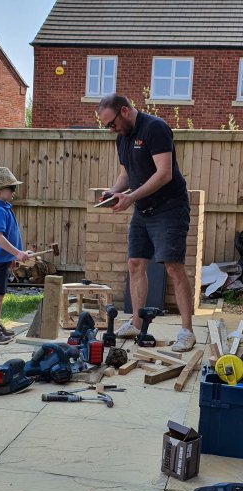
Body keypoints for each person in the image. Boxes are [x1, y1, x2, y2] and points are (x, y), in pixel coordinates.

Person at [97, 94, 196, 352]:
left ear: (124, 111)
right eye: (106, 126)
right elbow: (126, 174)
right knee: (135, 264)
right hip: (143, 209)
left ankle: (187, 330)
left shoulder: (155, 128)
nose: (110, 130)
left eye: (111, 123)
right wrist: (113, 192)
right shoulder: (123, 138)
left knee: (173, 267)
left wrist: (129, 197)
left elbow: (164, 173)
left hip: (169, 208)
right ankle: (136, 323)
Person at [0, 166, 32, 344]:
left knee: (1, 294)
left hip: (2, 260)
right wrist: (17, 253)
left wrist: (11, 258)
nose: (14, 191)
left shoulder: (4, 207)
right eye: (11, 188)